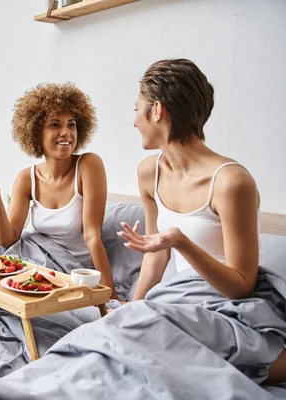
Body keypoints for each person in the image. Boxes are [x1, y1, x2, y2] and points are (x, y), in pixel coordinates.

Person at [118, 58, 286, 383]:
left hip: (233, 307)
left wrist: (182, 241)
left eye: (136, 109)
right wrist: (131, 306)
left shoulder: (231, 182)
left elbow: (241, 285)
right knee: (129, 331)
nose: (134, 121)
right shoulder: (148, 173)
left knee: (152, 344)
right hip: (182, 301)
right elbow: (156, 256)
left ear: (157, 110)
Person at [0, 82, 117, 297]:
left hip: (69, 271)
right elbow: (8, 239)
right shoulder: (26, 178)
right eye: (55, 125)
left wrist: (109, 295)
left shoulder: (88, 165)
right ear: (36, 131)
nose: (66, 132)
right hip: (34, 261)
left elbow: (92, 236)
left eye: (71, 124)